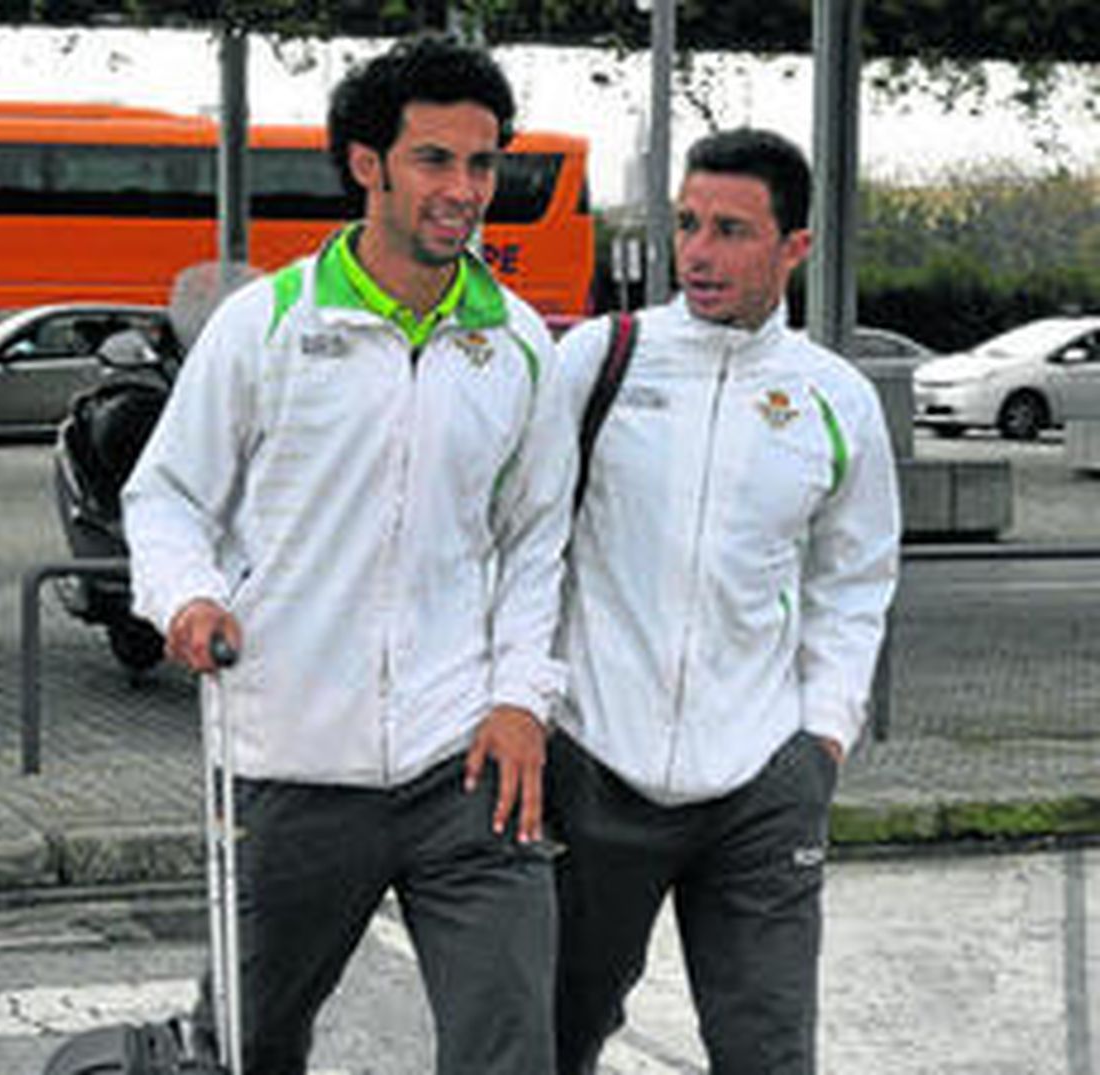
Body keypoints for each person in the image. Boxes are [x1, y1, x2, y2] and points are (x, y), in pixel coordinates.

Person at [122, 35, 571, 1074]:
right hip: (291, 760)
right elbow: (168, 497)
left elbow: (536, 539)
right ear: (366, 164)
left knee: (512, 1043)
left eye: (483, 162)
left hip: (466, 760)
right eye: (435, 160)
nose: (465, 190)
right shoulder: (267, 325)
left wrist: (522, 700)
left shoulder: (514, 344)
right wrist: (186, 598)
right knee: (249, 1044)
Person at [547, 128, 902, 1074]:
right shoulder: (599, 361)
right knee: (553, 1035)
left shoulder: (836, 398)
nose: (698, 253)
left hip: (762, 786)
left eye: (732, 230)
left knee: (769, 1052)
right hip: (591, 764)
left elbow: (855, 579)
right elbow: (526, 545)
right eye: (689, 224)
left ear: (795, 247)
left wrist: (822, 735)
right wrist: (535, 705)